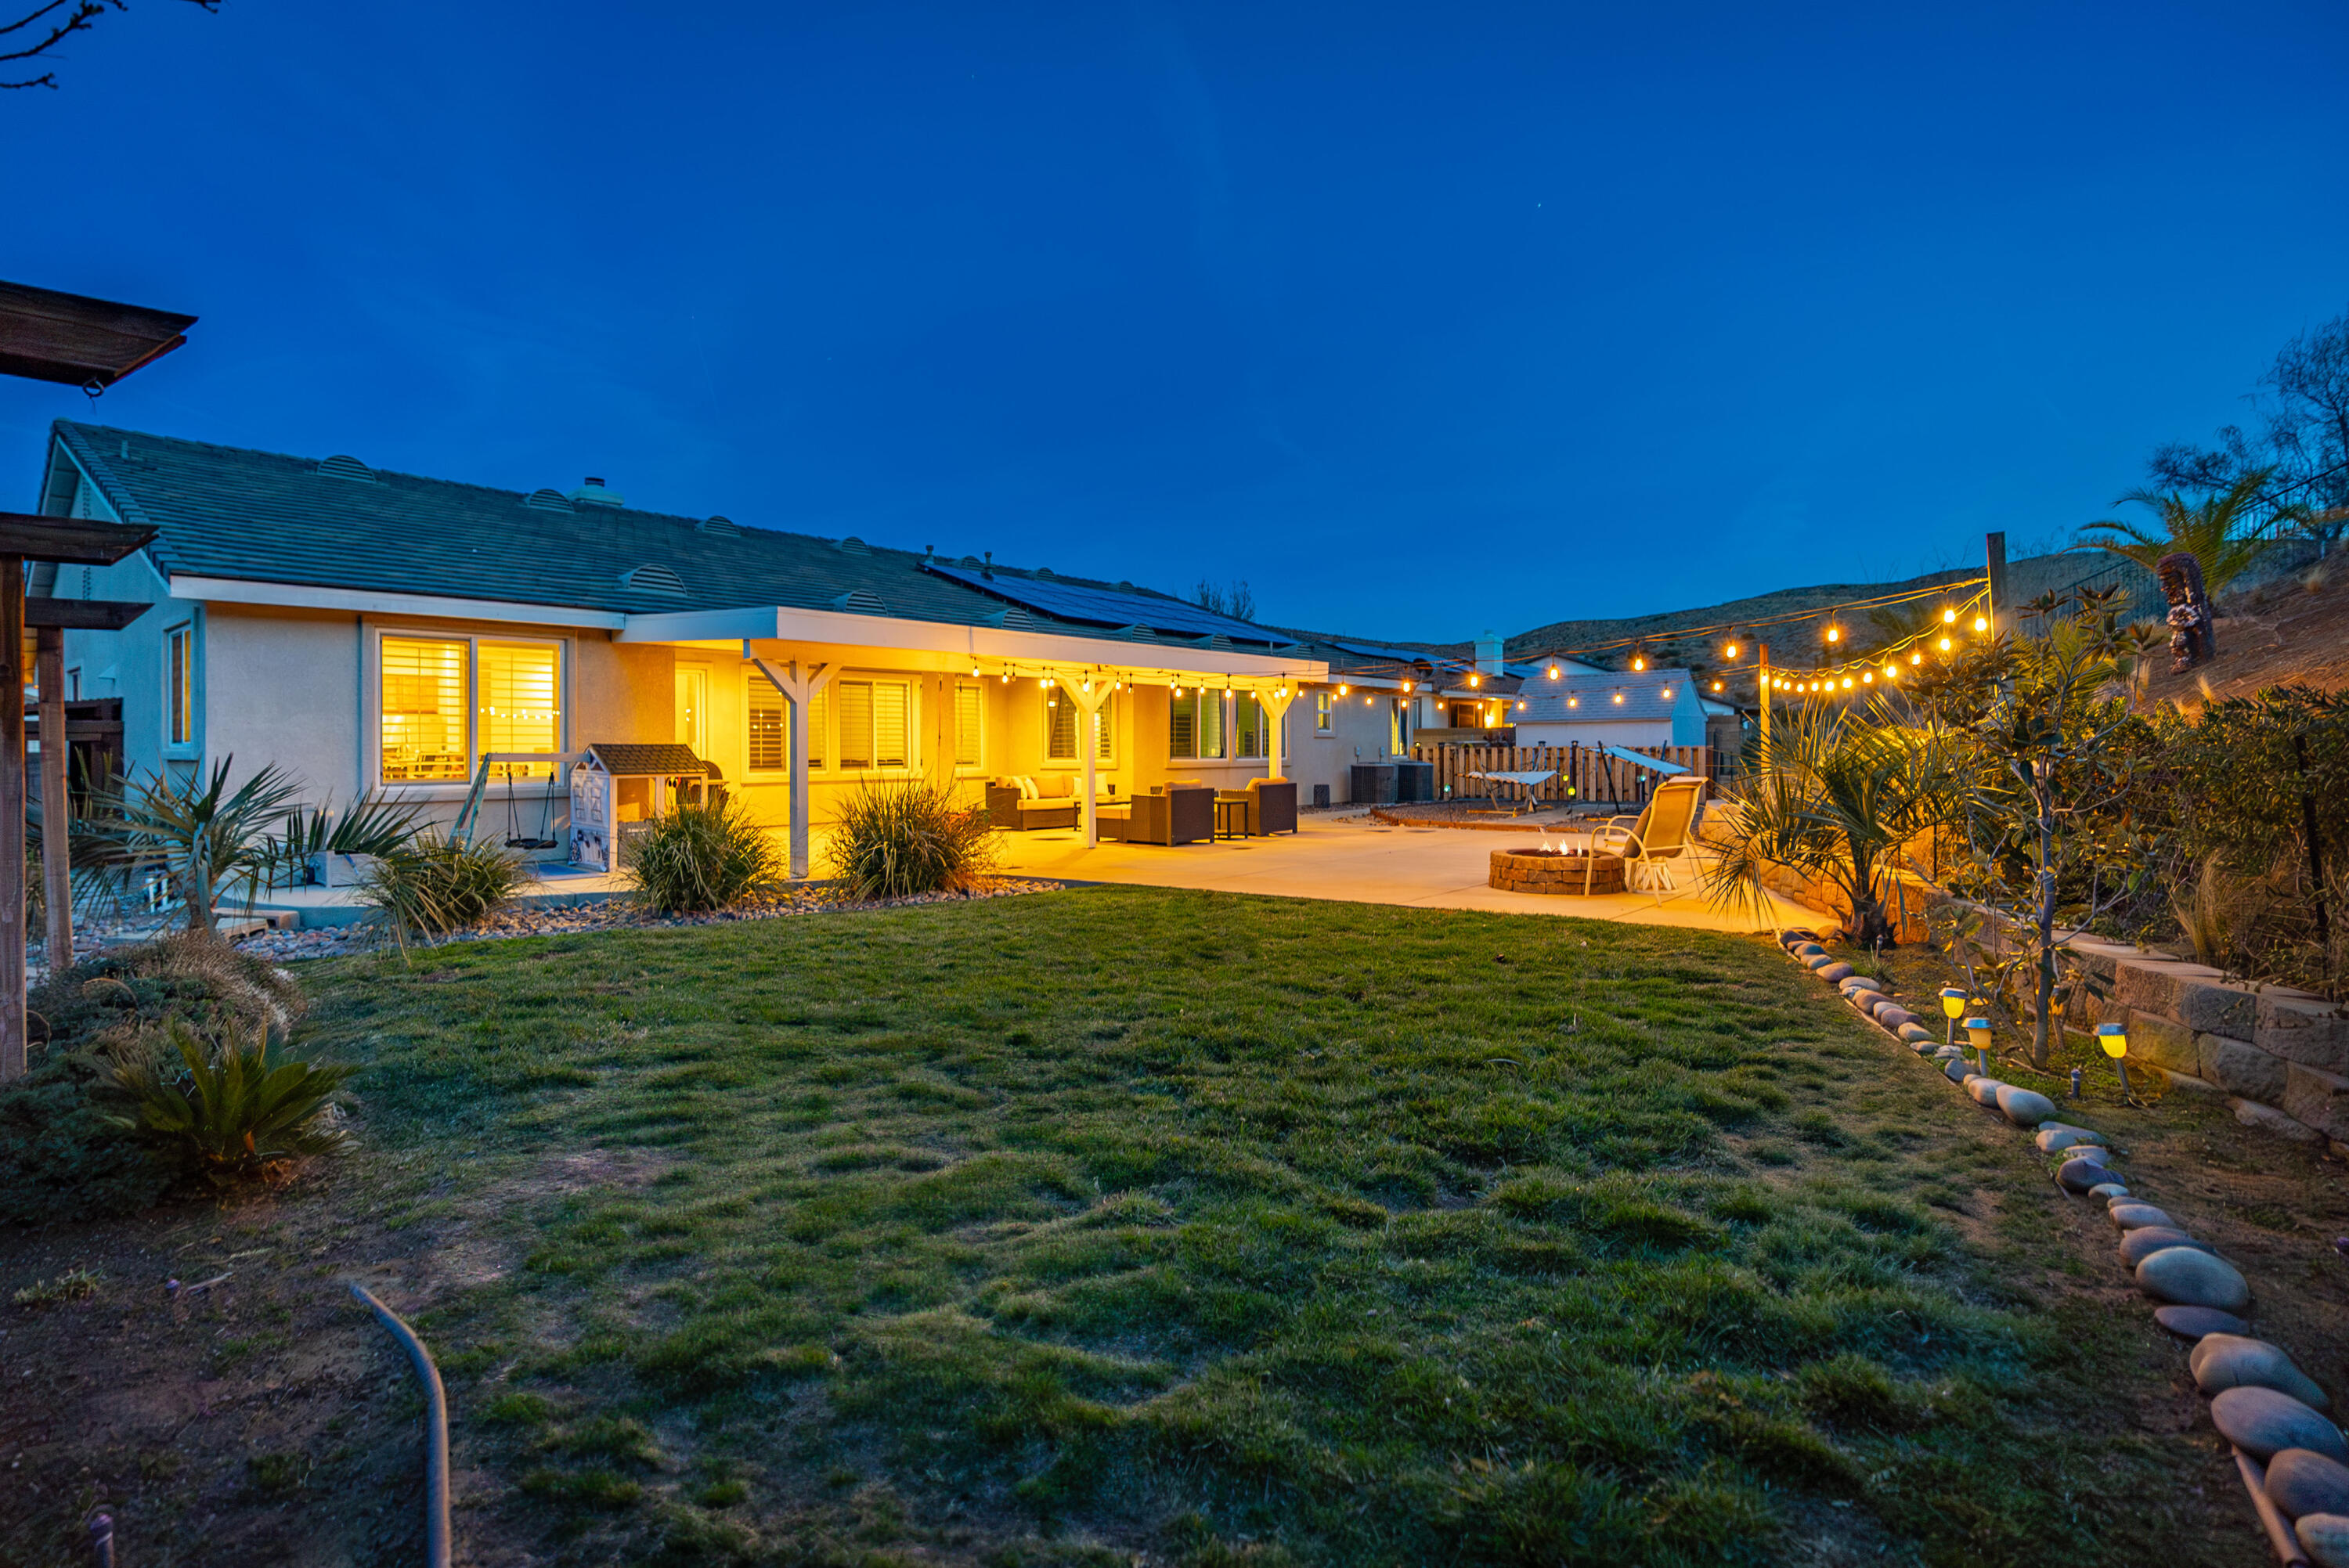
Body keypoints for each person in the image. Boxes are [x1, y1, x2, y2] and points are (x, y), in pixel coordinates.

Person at [2156, 551, 2217, 672]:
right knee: (2176, 645)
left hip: (2186, 634)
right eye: (2164, 583)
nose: (2165, 588)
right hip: (2180, 635)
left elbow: (2194, 619)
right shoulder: (2178, 609)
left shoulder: (2187, 608)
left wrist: (2184, 624)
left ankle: (2190, 658)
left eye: (2171, 582)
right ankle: (2183, 659)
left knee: (2184, 641)